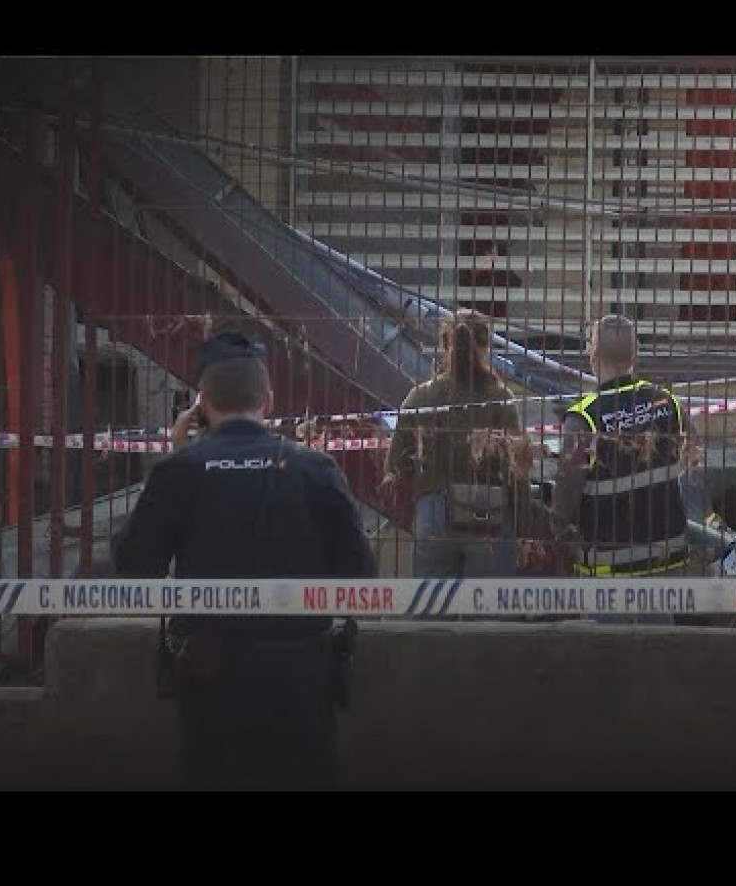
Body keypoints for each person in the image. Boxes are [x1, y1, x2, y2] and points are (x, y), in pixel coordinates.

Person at [113, 331, 375, 790]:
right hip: (301, 679)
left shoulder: (180, 471)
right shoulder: (315, 469)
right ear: (268, 401)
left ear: (201, 405)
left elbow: (136, 568)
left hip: (209, 680)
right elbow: (362, 575)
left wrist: (180, 456)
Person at [551, 315, 691, 620]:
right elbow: (685, 461)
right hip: (666, 559)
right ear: (635, 354)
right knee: (661, 658)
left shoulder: (585, 417)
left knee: (609, 661)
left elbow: (565, 497)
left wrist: (558, 533)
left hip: (609, 567)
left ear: (592, 356)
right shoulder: (665, 402)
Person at [380, 308, 529, 579]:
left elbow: (395, 466)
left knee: (432, 611)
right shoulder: (500, 398)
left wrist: (419, 501)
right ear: (486, 347)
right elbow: (516, 470)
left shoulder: (421, 396)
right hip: (488, 514)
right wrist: (522, 522)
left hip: (433, 511)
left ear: (445, 346)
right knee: (487, 615)